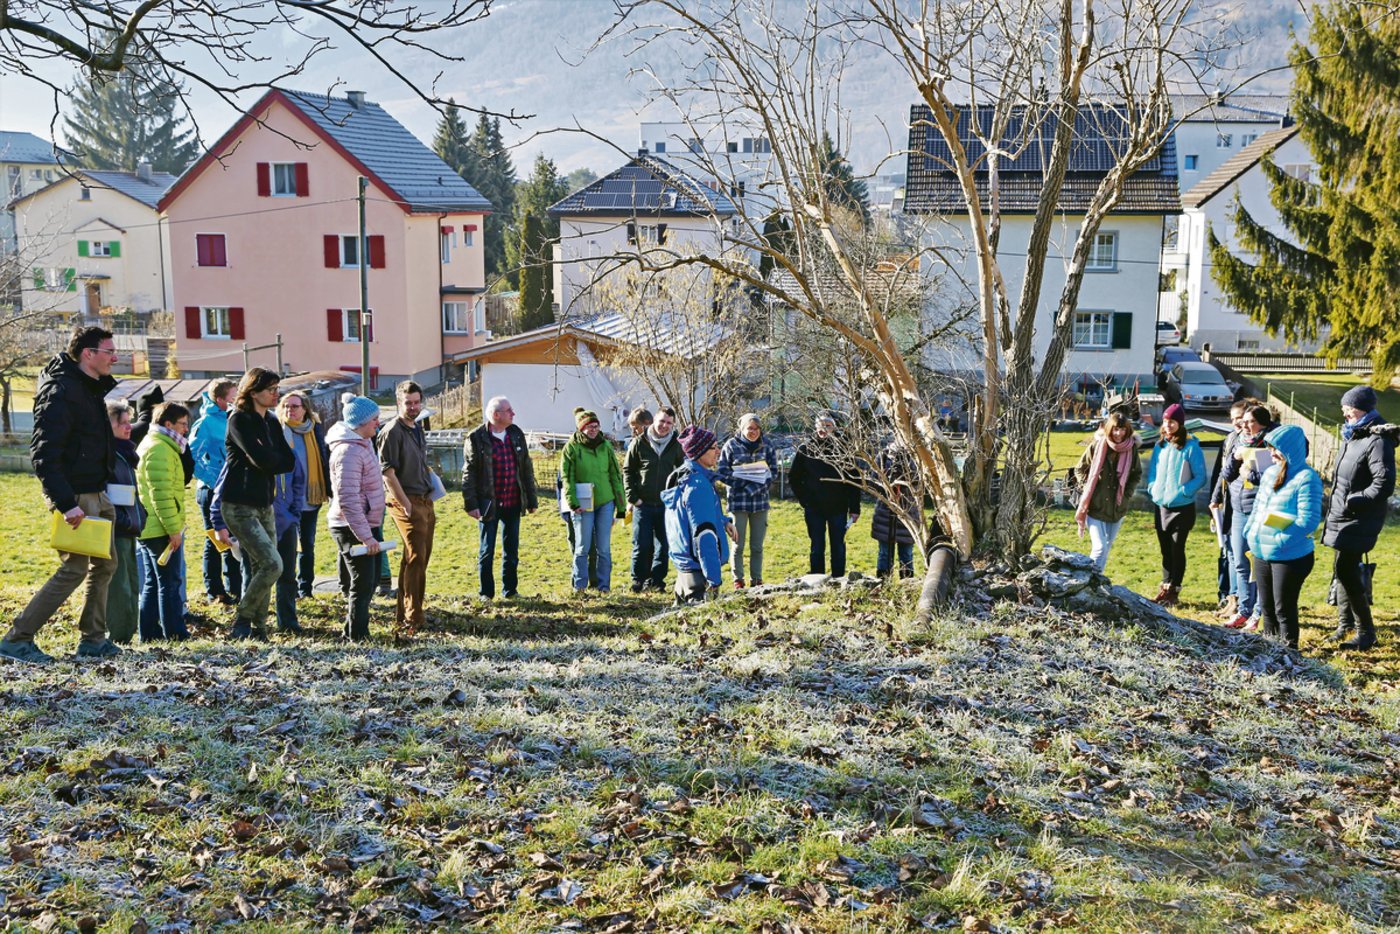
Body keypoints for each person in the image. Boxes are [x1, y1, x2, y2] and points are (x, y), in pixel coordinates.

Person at [0, 326, 122, 663]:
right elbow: (43, 454)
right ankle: (17, 639)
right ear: (87, 353)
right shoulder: (61, 391)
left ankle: (93, 639)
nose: (115, 357)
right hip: (76, 498)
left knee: (106, 565)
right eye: (109, 351)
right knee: (73, 570)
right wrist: (65, 503)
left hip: (97, 493)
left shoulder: (88, 389)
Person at [221, 367, 296, 641]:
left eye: (278, 388)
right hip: (238, 504)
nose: (276, 394)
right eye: (271, 390)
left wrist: (268, 457)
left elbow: (288, 461)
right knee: (273, 564)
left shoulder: (272, 421)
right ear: (253, 392)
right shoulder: (239, 421)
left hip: (265, 503)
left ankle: (258, 629)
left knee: (261, 567)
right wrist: (268, 458)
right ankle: (243, 617)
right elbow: (263, 459)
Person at [1322, 386, 1396, 651]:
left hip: (1359, 516)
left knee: (1346, 569)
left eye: (1349, 408)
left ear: (1363, 408)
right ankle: (1345, 625)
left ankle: (1366, 632)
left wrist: (1356, 501)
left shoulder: (1377, 440)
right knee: (1341, 569)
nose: (1344, 412)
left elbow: (1384, 482)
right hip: (1343, 514)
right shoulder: (1353, 434)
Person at [1244, 424, 1322, 650]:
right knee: (1267, 608)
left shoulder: (1307, 478)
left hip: (1290, 556)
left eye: (1276, 449)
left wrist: (1280, 541)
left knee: (1283, 609)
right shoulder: (1270, 473)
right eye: (1270, 448)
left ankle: (1290, 655)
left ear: (1290, 450)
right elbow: (1258, 508)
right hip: (1261, 552)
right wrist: (1249, 532)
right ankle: (1270, 653)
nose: (1271, 453)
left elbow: (1308, 521)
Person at [462, 396, 540, 599]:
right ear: (496, 415)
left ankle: (510, 591)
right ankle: (486, 593)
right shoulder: (476, 438)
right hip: (489, 504)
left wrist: (531, 500)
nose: (513, 413)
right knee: (487, 551)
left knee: (511, 550)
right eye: (509, 410)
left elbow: (526, 468)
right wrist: (471, 504)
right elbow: (469, 473)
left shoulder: (515, 434)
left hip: (513, 501)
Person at [380, 380, 437, 632]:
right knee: (416, 558)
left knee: (418, 558)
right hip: (407, 500)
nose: (413, 407)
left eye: (416, 402)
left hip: (425, 499)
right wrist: (406, 506)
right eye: (408, 403)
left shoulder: (416, 428)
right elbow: (387, 473)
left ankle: (405, 612)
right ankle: (413, 617)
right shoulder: (392, 431)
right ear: (398, 402)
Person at [327, 395, 386, 640]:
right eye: (374, 419)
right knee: (362, 584)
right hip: (350, 526)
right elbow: (349, 499)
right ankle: (357, 637)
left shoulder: (362, 443)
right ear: (360, 422)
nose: (378, 422)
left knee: (368, 583)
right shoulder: (348, 451)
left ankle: (351, 631)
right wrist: (365, 537)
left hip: (364, 522)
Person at [134, 402, 192, 641]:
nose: (186, 429)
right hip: (159, 528)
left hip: (150, 526)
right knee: (170, 582)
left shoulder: (156, 444)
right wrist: (173, 530)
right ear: (168, 424)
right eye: (183, 424)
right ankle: (175, 633)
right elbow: (162, 495)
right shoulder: (160, 449)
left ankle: (149, 633)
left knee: (153, 581)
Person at [662, 426, 737, 604]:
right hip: (698, 575)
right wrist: (714, 580)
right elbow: (703, 534)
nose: (718, 451)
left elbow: (691, 517)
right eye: (713, 448)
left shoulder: (683, 476)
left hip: (684, 571)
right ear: (699, 452)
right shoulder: (698, 485)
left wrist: (723, 521)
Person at [1145, 403, 1206, 607]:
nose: (1168, 425)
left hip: (1182, 507)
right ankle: (1164, 586)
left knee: (1177, 548)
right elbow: (1153, 470)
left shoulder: (1191, 446)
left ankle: (1174, 589)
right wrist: (1153, 488)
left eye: (1172, 421)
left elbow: (1200, 477)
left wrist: (1183, 492)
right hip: (1161, 504)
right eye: (1165, 421)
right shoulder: (1160, 446)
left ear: (1180, 423)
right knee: (1165, 549)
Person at [1221, 404, 1274, 630]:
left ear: (1262, 423)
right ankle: (1243, 610)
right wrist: (1235, 457)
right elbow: (1226, 474)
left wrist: (1250, 472)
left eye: (1250, 421)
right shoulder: (1238, 439)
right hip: (1238, 507)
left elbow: (1273, 478)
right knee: (1241, 562)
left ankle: (1258, 613)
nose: (1245, 426)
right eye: (1243, 422)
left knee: (1259, 565)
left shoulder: (1272, 442)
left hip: (1259, 510)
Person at [561, 408, 625, 594]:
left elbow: (615, 475)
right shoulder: (571, 448)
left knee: (603, 548)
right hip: (583, 504)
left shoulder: (606, 446)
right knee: (582, 547)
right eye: (589, 426)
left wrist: (620, 506)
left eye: (596, 426)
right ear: (581, 428)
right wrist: (572, 502)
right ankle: (579, 586)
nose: (593, 429)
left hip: (605, 502)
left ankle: (604, 586)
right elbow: (567, 477)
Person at [789, 413, 861, 577]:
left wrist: (855, 508)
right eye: (821, 425)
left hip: (838, 507)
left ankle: (838, 578)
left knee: (838, 545)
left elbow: (853, 480)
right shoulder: (806, 449)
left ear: (834, 428)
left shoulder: (844, 449)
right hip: (814, 507)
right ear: (815, 427)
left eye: (828, 425)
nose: (824, 429)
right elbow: (794, 477)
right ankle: (817, 577)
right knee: (817, 546)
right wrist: (804, 499)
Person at [189, 379, 241, 605]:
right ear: (219, 399)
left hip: (234, 489)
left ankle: (236, 588)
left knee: (234, 538)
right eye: (232, 396)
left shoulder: (233, 418)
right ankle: (215, 590)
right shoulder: (205, 423)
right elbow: (192, 458)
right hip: (211, 491)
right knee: (214, 540)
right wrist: (214, 480)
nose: (235, 399)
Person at [1072, 410, 1143, 572]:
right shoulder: (1097, 446)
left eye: (1123, 429)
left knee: (1106, 549)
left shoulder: (1131, 449)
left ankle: (1096, 584)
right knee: (1099, 548)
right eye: (1116, 429)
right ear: (1109, 428)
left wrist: (1127, 493)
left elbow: (1136, 474)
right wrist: (1089, 489)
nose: (1119, 433)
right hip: (1095, 506)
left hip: (1117, 507)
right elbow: (1080, 469)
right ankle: (1090, 580)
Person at [624, 405, 684, 592]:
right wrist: (633, 498)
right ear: (654, 421)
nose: (664, 426)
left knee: (663, 545)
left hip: (666, 505)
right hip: (643, 503)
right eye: (661, 421)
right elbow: (628, 471)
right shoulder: (639, 442)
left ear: (673, 425)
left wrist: (676, 497)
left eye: (668, 423)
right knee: (641, 544)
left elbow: (682, 471)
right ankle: (638, 580)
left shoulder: (676, 444)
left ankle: (657, 581)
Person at [275, 390, 329, 599]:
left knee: (307, 543)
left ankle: (305, 588)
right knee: (286, 545)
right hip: (286, 499)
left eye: (295, 406)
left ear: (305, 409)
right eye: (286, 406)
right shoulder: (278, 429)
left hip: (310, 496)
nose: (290, 410)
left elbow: (323, 458)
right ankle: (286, 588)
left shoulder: (314, 429)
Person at [717, 412, 778, 588]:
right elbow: (722, 472)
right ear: (742, 428)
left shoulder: (767, 445)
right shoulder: (731, 445)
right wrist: (743, 483)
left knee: (757, 545)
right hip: (738, 501)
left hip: (760, 502)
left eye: (756, 428)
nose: (753, 431)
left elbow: (773, 472)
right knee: (738, 544)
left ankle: (757, 579)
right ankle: (738, 579)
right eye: (749, 428)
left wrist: (755, 487)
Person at [107, 401, 145, 644]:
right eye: (120, 422)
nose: (127, 426)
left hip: (129, 528)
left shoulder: (125, 453)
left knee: (131, 582)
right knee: (119, 586)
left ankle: (126, 635)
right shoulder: (108, 454)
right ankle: (117, 636)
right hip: (116, 529)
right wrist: (123, 519)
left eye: (128, 420)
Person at [1208, 400, 1250, 616]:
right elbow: (1222, 473)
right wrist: (1215, 499)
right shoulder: (1231, 438)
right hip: (1228, 502)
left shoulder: (1252, 441)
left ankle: (1244, 603)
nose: (1236, 422)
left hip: (1244, 503)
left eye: (1240, 417)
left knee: (1241, 556)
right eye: (1232, 418)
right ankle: (1232, 598)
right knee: (1230, 553)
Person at [270, 402, 307, 633]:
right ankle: (254, 623)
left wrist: (294, 514)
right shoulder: (256, 456)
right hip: (262, 524)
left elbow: (299, 483)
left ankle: (288, 623)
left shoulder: (291, 456)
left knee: (288, 575)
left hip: (287, 524)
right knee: (258, 575)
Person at [870, 437, 919, 580]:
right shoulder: (883, 456)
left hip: (907, 511)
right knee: (884, 552)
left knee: (906, 553)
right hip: (886, 512)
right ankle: (883, 583)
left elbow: (919, 483)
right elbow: (872, 483)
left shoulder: (915, 458)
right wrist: (884, 479)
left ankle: (907, 585)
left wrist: (904, 478)